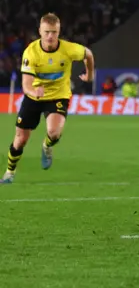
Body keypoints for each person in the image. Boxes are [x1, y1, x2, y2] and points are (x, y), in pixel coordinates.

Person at [1, 13, 95, 184]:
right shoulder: (31, 52)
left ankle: (47, 146)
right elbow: (26, 84)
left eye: (54, 32)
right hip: (34, 97)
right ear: (40, 31)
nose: (50, 36)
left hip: (58, 96)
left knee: (54, 132)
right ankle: (9, 172)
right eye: (47, 32)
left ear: (59, 31)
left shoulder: (69, 49)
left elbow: (88, 54)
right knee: (21, 139)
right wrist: (33, 91)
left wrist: (89, 74)